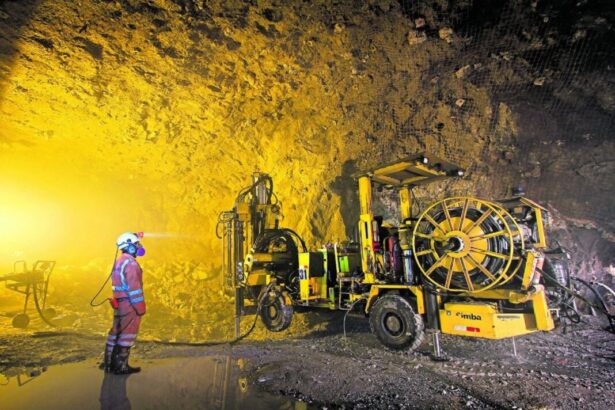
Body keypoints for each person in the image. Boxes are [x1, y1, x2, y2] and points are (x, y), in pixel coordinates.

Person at [102, 232, 147, 374]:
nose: (139, 246)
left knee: (115, 331)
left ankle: (108, 363)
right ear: (130, 247)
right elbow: (134, 289)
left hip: (119, 302)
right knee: (128, 333)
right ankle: (120, 366)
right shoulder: (131, 264)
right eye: (136, 244)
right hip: (128, 304)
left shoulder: (120, 261)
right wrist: (140, 308)